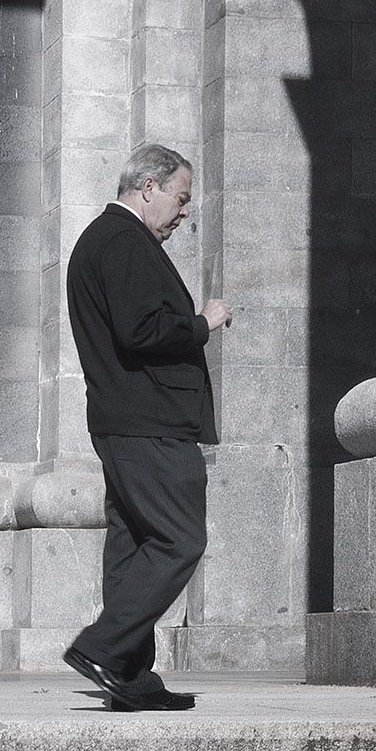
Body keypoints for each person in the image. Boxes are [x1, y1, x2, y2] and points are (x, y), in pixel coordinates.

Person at [62, 143, 231, 711]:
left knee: (133, 541)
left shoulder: (100, 242)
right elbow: (142, 330)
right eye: (181, 198)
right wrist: (202, 323)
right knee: (181, 537)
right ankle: (106, 647)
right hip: (149, 420)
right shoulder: (124, 241)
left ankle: (130, 676)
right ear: (149, 186)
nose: (184, 213)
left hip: (121, 418)